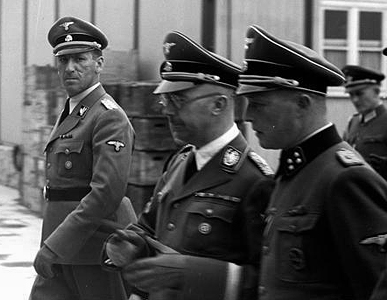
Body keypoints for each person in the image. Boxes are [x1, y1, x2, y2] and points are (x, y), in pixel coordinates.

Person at [103, 31, 275, 300]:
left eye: (178, 100)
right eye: (166, 99)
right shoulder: (180, 162)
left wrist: (192, 273)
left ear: (218, 105)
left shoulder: (255, 180)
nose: (167, 111)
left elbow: (267, 282)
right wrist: (129, 246)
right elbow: (148, 228)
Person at [237, 24, 387, 299]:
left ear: (302, 104)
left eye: (258, 104)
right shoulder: (297, 170)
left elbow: (375, 286)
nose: (248, 116)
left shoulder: (346, 179)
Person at [29, 16, 137, 300]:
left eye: (79, 59)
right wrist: (53, 244)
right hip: (60, 244)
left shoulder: (108, 116)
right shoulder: (73, 111)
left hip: (94, 249)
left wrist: (56, 246)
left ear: (99, 63)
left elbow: (106, 194)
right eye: (63, 61)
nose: (69, 68)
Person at [342, 64, 387, 179]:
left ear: (376, 91)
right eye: (351, 95)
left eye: (359, 93)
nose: (355, 100)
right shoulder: (353, 121)